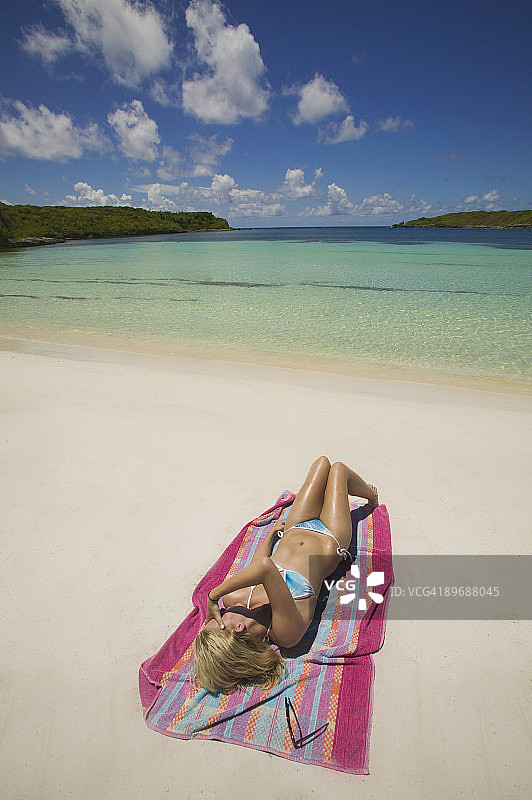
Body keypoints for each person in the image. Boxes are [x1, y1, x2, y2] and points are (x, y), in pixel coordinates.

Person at [192, 456, 379, 693]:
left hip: (295, 527)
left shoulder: (233, 602)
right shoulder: (285, 633)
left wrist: (270, 537)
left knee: (322, 463)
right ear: (237, 629)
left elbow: (258, 563)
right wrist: (212, 596)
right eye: (215, 621)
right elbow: (265, 569)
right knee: (339, 471)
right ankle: (371, 498)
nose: (215, 614)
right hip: (330, 537)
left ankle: (355, 492)